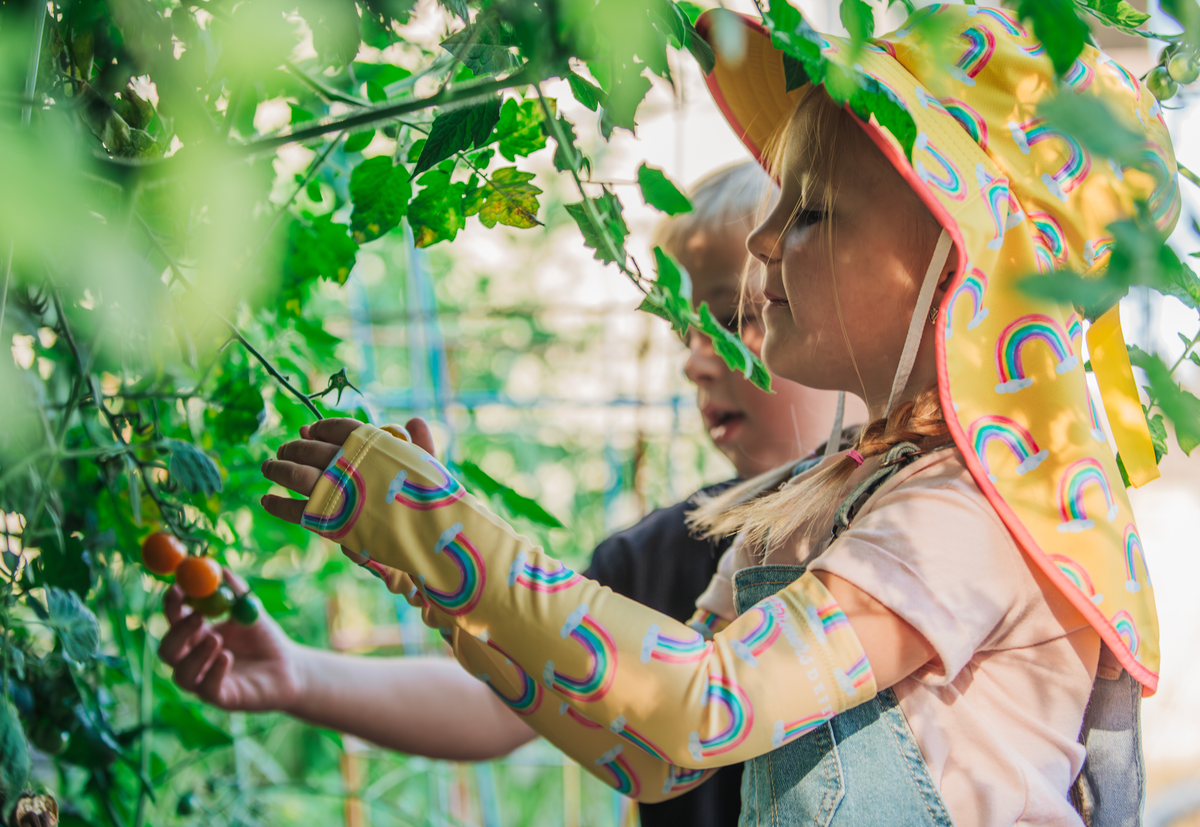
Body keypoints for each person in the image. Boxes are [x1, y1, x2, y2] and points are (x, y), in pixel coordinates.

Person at [254, 5, 1178, 825]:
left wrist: (438, 531)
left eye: (811, 209)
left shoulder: (966, 519)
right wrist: (430, 566)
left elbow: (704, 702)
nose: (766, 241)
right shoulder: (817, 502)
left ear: (955, 259)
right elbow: (655, 751)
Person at [158, 162, 862, 827]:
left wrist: (448, 543)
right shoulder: (660, 555)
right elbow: (505, 701)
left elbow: (701, 707)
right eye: (685, 326)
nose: (693, 358)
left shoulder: (901, 526)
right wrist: (299, 672)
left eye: (739, 315)